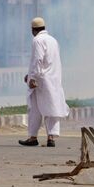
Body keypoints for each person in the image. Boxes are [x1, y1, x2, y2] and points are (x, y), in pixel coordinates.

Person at [19, 17, 69, 148]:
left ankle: (33, 137)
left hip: (40, 80)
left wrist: (33, 78)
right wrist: (29, 75)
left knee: (34, 108)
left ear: (33, 30)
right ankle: (51, 137)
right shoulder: (53, 40)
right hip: (53, 79)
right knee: (51, 107)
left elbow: (38, 60)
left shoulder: (37, 40)